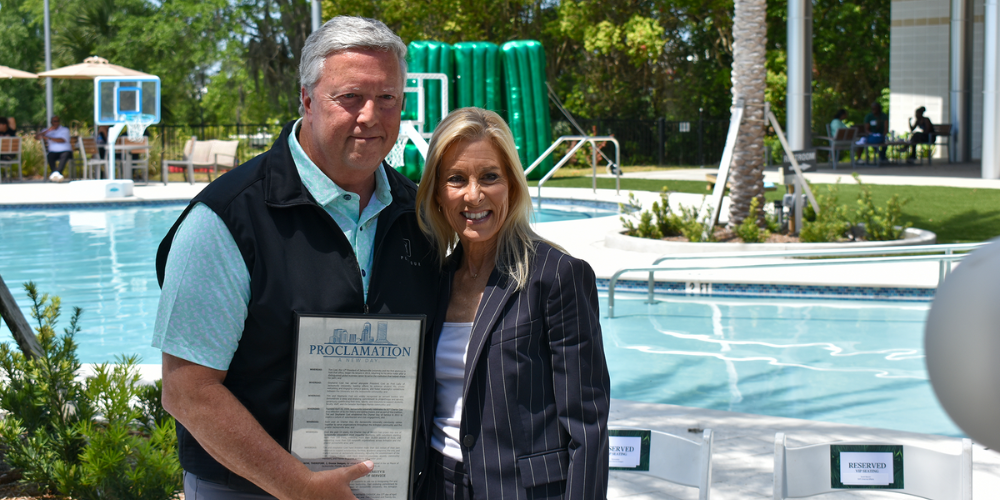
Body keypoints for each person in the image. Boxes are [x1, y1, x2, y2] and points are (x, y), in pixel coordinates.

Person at [153, 16, 440, 499]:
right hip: (250, 487)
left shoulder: (420, 213)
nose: (370, 116)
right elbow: (188, 391)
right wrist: (300, 486)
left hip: (384, 484)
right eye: (349, 97)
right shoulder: (226, 219)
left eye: (387, 98)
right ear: (307, 99)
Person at [413, 107, 611, 499]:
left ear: (512, 185)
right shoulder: (431, 280)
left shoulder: (557, 276)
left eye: (490, 176)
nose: (474, 194)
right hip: (437, 485)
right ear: (437, 192)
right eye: (456, 179)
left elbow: (587, 428)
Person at [34, 115, 72, 181]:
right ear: (51, 122)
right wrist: (48, 131)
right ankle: (57, 175)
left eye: (57, 121)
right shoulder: (47, 131)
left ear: (59, 122)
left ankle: (56, 173)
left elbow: (62, 140)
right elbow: (36, 137)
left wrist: (49, 138)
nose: (55, 123)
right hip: (53, 152)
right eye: (54, 121)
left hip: (65, 151)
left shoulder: (65, 130)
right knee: (50, 156)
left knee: (65, 155)